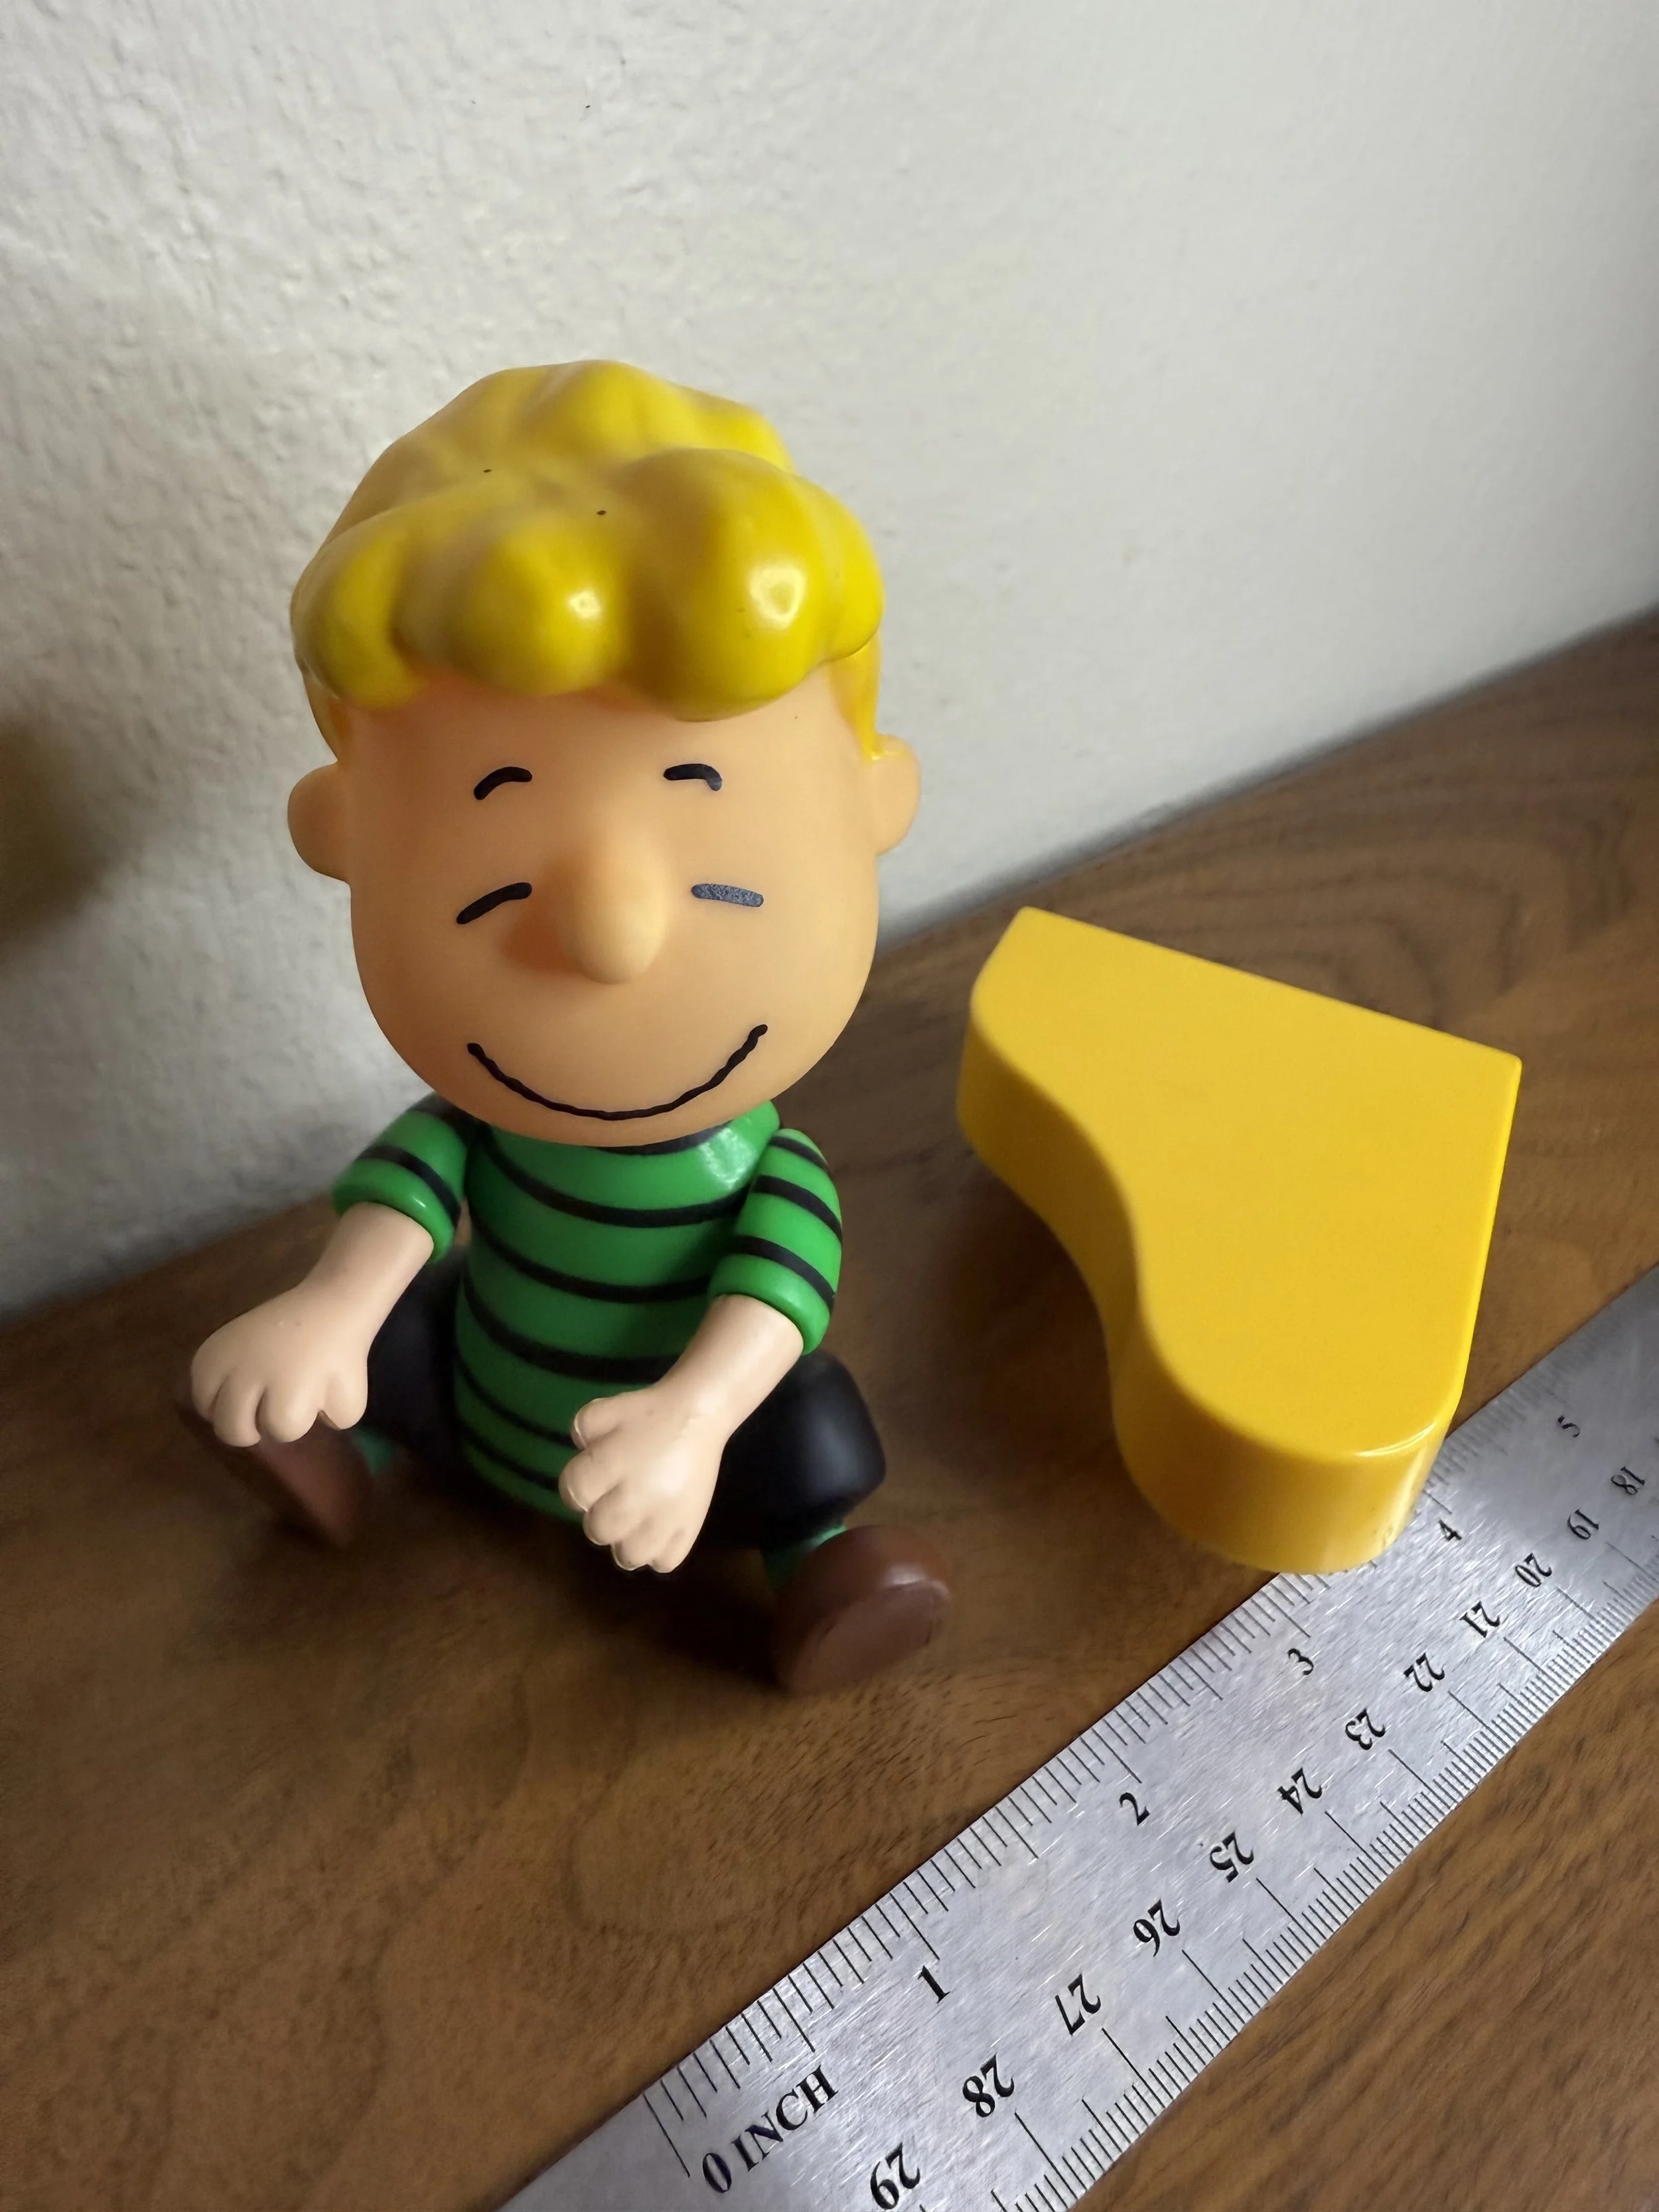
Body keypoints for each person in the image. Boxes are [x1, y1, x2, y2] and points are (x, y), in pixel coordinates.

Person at [185, 359, 950, 1692]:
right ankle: (350, 1445)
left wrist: (693, 1420)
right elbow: (408, 1199)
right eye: (497, 807)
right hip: (482, 1403)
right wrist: (328, 1308)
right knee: (398, 1326)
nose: (609, 933)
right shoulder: (479, 1130)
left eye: (702, 794)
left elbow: (774, 1292)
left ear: (873, 800)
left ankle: (816, 1565)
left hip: (686, 1472)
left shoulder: (766, 1174)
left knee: (806, 1415)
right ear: (345, 838)